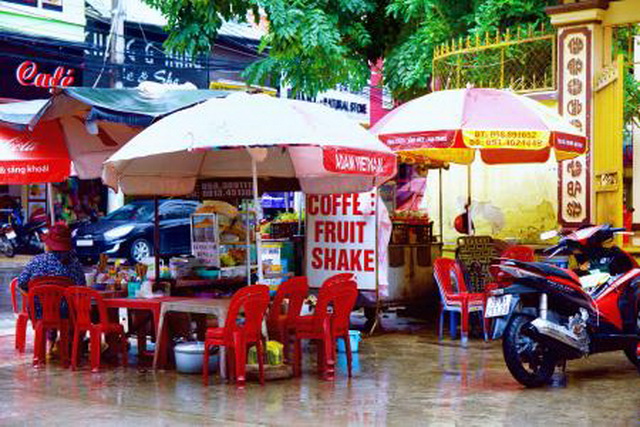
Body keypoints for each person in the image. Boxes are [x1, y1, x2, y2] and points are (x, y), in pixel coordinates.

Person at [17, 223, 86, 292]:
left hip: (38, 302)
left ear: (49, 246)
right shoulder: (74, 264)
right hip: (66, 302)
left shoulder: (36, 261)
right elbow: (81, 286)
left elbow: (21, 282)